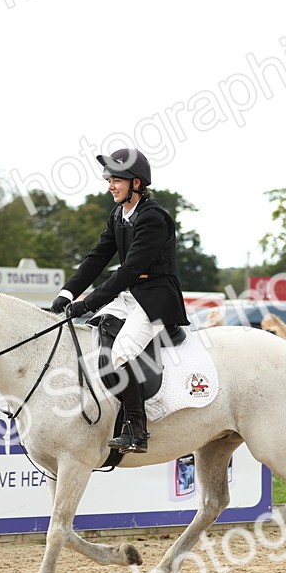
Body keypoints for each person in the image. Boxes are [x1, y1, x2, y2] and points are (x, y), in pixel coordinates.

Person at [50, 148, 188, 454]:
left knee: (123, 352)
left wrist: (87, 303)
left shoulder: (153, 218)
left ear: (136, 183)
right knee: (97, 332)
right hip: (132, 295)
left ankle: (136, 430)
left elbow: (128, 271)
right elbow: (97, 257)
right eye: (109, 180)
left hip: (155, 298)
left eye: (116, 180)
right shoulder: (118, 214)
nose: (110, 186)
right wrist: (67, 293)